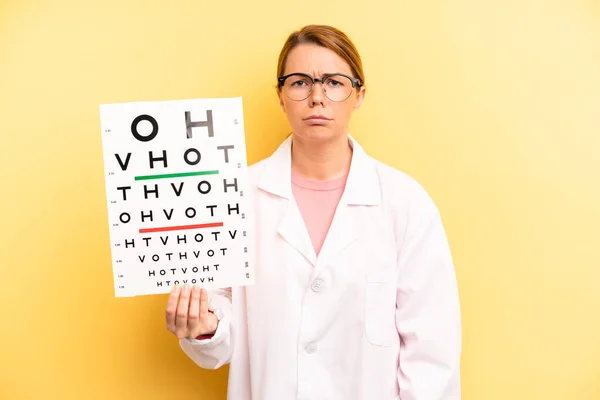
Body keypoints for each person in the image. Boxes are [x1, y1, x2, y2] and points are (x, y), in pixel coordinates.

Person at [165, 24, 462, 400]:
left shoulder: (405, 202)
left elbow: (432, 349)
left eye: (335, 82)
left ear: (359, 95)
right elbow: (220, 330)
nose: (317, 97)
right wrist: (206, 326)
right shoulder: (234, 196)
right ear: (281, 95)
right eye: (300, 82)